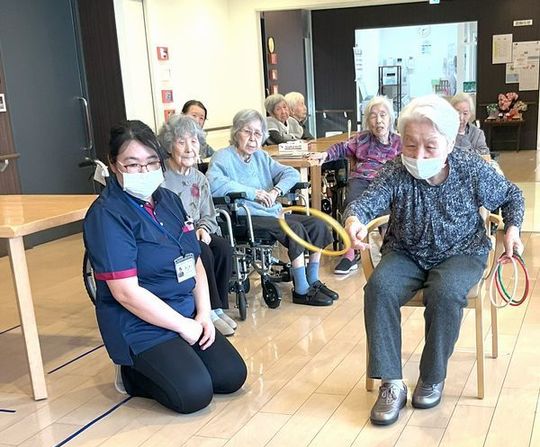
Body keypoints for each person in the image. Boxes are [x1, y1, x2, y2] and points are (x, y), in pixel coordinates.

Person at [344, 95, 524, 427]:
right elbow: (365, 202)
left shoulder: (469, 167)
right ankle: (391, 383)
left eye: (430, 146)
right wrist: (354, 221)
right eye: (410, 145)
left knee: (445, 292)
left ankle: (432, 376)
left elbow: (512, 195)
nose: (419, 155)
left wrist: (512, 229)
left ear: (450, 142)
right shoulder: (396, 170)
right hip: (407, 252)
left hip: (462, 252)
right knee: (379, 289)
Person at [83, 120, 246, 414]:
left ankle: (176, 357)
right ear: (114, 164)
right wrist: (183, 327)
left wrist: (203, 314)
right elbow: (125, 293)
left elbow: (195, 260)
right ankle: (131, 374)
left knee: (231, 376)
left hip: (185, 312)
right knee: (194, 394)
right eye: (133, 164)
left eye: (151, 162)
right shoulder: (107, 214)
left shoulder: (169, 199)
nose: (144, 171)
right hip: (140, 325)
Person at [207, 108, 338, 306]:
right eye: (247, 132)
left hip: (271, 213)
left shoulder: (260, 157)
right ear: (236, 132)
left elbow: (291, 174)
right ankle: (301, 289)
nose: (253, 138)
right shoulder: (223, 157)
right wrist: (253, 193)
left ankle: (313, 280)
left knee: (317, 224)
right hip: (243, 217)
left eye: (258, 133)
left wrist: (276, 191)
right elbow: (214, 182)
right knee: (294, 228)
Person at [159, 114, 237, 336]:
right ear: (170, 145)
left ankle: (218, 308)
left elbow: (208, 214)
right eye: (181, 142)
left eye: (193, 141)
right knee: (203, 251)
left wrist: (204, 228)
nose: (189, 148)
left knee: (223, 248)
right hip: (172, 236)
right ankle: (208, 311)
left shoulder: (199, 178)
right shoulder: (161, 177)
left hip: (196, 232)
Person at [324, 95, 401, 276]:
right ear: (368, 121)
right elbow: (341, 148)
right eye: (373, 116)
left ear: (390, 118)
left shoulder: (399, 142)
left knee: (387, 205)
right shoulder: (362, 139)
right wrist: (325, 155)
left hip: (387, 181)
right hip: (361, 179)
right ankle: (350, 254)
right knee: (352, 202)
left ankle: (388, 253)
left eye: (383, 115)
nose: (378, 120)